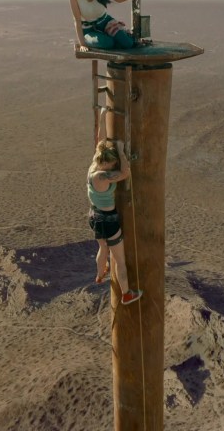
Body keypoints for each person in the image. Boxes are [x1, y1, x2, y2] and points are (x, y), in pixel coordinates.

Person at [87, 108, 142, 305]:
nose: (113, 167)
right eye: (112, 165)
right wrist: (120, 150)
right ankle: (127, 294)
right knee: (119, 259)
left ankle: (99, 274)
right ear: (106, 164)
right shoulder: (102, 176)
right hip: (108, 220)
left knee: (102, 248)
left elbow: (99, 141)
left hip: (94, 216)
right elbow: (125, 173)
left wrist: (102, 118)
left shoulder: (94, 166)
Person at [69, 0, 144, 52]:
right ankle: (109, 38)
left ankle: (119, 36)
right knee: (107, 43)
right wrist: (82, 44)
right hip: (88, 29)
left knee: (128, 43)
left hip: (105, 22)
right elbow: (77, 20)